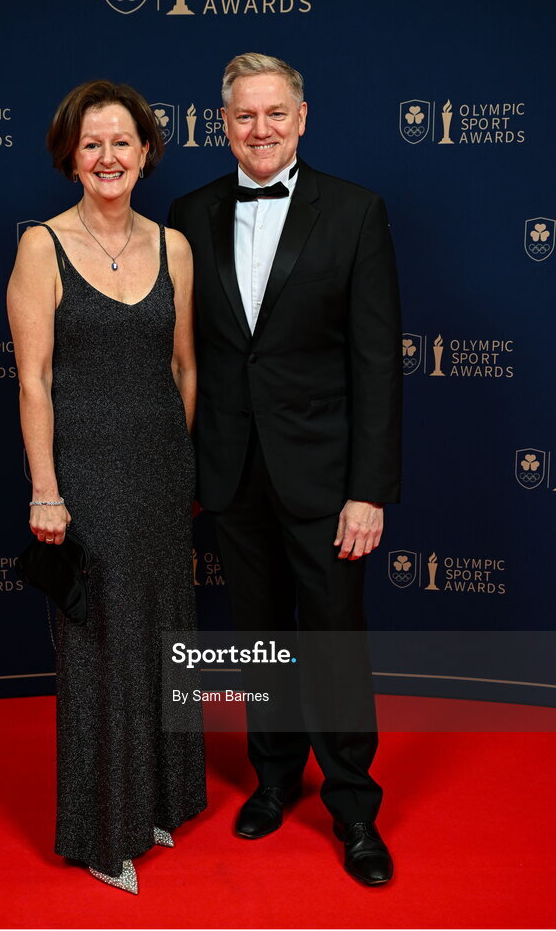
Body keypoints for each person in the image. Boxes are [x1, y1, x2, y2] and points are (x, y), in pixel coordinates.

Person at [168, 53, 402, 886]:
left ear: (303, 118)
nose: (260, 129)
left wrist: (369, 489)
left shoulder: (355, 212)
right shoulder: (187, 214)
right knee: (258, 634)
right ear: (221, 124)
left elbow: (378, 364)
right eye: (244, 116)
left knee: (334, 642)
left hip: (328, 476)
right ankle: (272, 779)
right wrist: (184, 470)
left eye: (275, 114)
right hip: (231, 469)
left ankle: (353, 808)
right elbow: (181, 356)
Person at [7, 80, 206, 894]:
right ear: (70, 156)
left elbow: (185, 366)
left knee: (160, 633)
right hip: (84, 474)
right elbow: (34, 380)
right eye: (92, 144)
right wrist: (46, 490)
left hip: (161, 473)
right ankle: (100, 832)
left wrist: (177, 457)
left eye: (122, 141)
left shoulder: (176, 247)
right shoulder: (39, 246)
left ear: (147, 150)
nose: (108, 157)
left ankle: (158, 803)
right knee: (99, 649)